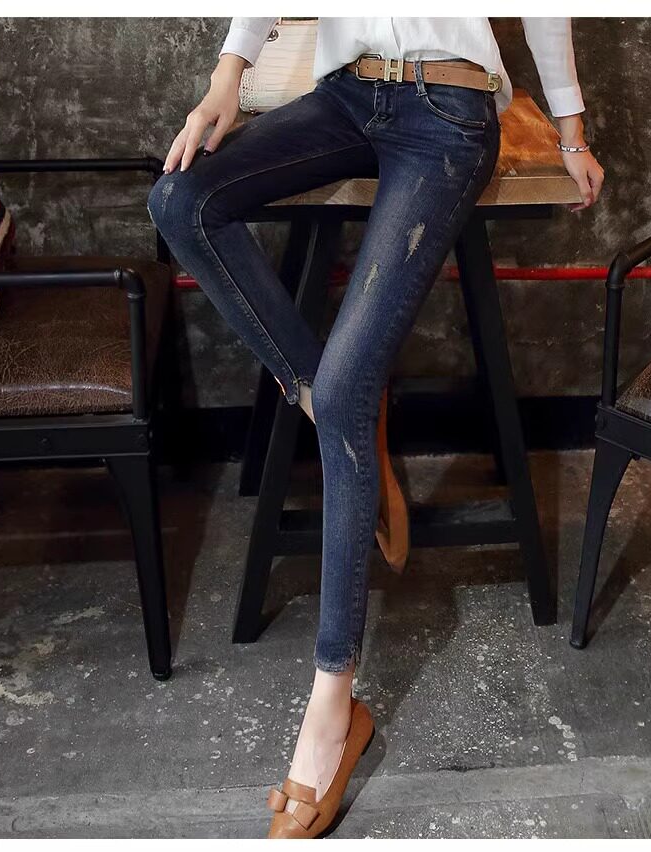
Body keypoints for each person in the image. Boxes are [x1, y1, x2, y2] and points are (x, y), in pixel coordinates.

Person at [147, 17, 604, 839]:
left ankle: (332, 708)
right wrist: (227, 74)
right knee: (181, 199)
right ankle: (335, 403)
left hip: (450, 114)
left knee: (347, 389)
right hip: (347, 95)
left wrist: (570, 131)